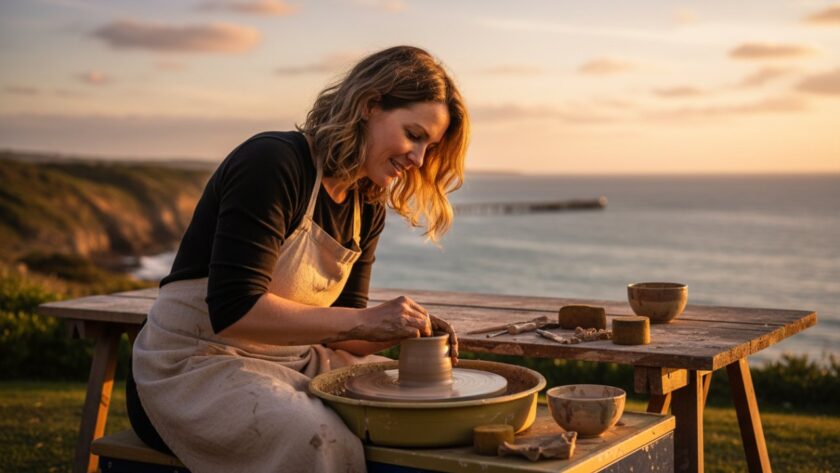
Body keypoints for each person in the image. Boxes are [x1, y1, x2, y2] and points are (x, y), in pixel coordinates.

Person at [126, 45, 470, 473]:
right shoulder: (273, 161)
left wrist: (401, 329)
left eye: (429, 147)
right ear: (369, 105)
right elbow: (234, 310)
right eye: (413, 135)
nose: (418, 159)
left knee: (421, 410)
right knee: (317, 440)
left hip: (293, 361)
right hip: (192, 366)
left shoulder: (368, 206)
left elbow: (346, 333)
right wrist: (364, 320)